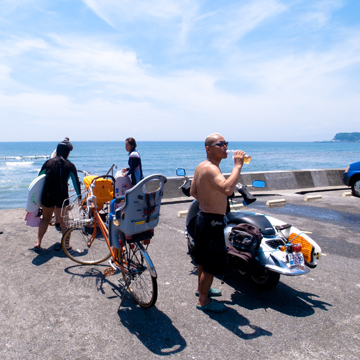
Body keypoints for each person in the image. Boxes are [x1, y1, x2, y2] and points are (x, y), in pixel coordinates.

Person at [190, 133, 245, 313]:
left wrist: (208, 202)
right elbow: (228, 189)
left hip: (203, 217)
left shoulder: (201, 167)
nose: (225, 147)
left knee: (202, 259)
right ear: (208, 149)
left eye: (225, 143)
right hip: (212, 220)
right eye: (220, 144)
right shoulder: (212, 169)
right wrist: (238, 165)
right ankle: (203, 300)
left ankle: (201, 289)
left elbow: (193, 192)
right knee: (211, 263)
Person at [34, 140, 81, 250]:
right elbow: (76, 183)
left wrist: (34, 198)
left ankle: (38, 242)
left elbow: (38, 179)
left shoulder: (47, 163)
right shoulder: (70, 166)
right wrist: (79, 198)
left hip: (47, 195)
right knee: (64, 221)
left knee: (45, 219)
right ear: (68, 153)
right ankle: (66, 244)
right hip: (62, 196)